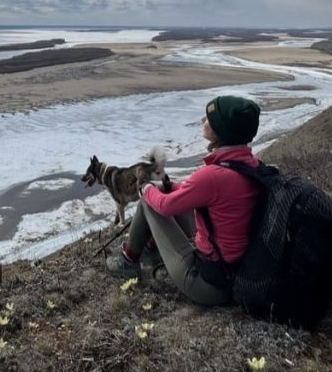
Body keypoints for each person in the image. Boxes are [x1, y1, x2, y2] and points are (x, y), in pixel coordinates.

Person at [105, 95, 262, 306]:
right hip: (235, 274)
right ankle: (150, 252)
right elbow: (198, 191)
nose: (202, 121)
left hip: (208, 285)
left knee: (148, 201)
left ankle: (128, 261)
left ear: (222, 130)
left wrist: (145, 188)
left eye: (208, 119)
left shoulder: (213, 176)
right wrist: (170, 187)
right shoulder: (251, 165)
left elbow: (165, 206)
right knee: (162, 196)